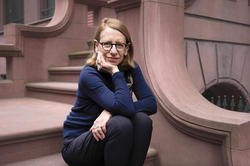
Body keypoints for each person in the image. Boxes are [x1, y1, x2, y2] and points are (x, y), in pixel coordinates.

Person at [61, 17, 157, 166]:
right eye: (107, 44)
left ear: (127, 49)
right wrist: (115, 72)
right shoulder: (89, 74)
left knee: (143, 120)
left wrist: (108, 112)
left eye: (119, 45)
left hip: (110, 138)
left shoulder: (132, 68)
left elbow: (151, 104)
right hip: (80, 144)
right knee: (121, 124)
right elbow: (124, 108)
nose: (113, 51)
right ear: (96, 46)